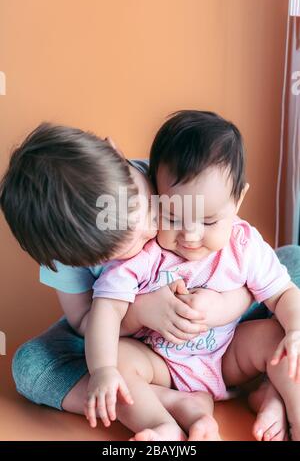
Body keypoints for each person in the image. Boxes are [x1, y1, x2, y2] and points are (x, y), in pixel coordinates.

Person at [0, 120, 299, 440]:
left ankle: (275, 393)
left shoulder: (170, 171)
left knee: (292, 266)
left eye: (151, 212)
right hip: (140, 343)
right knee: (35, 366)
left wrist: (229, 303)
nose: (149, 233)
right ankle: (166, 407)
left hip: (228, 327)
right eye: (121, 249)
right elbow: (91, 321)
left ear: (118, 155)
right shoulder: (90, 257)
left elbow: (230, 246)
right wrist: (141, 315)